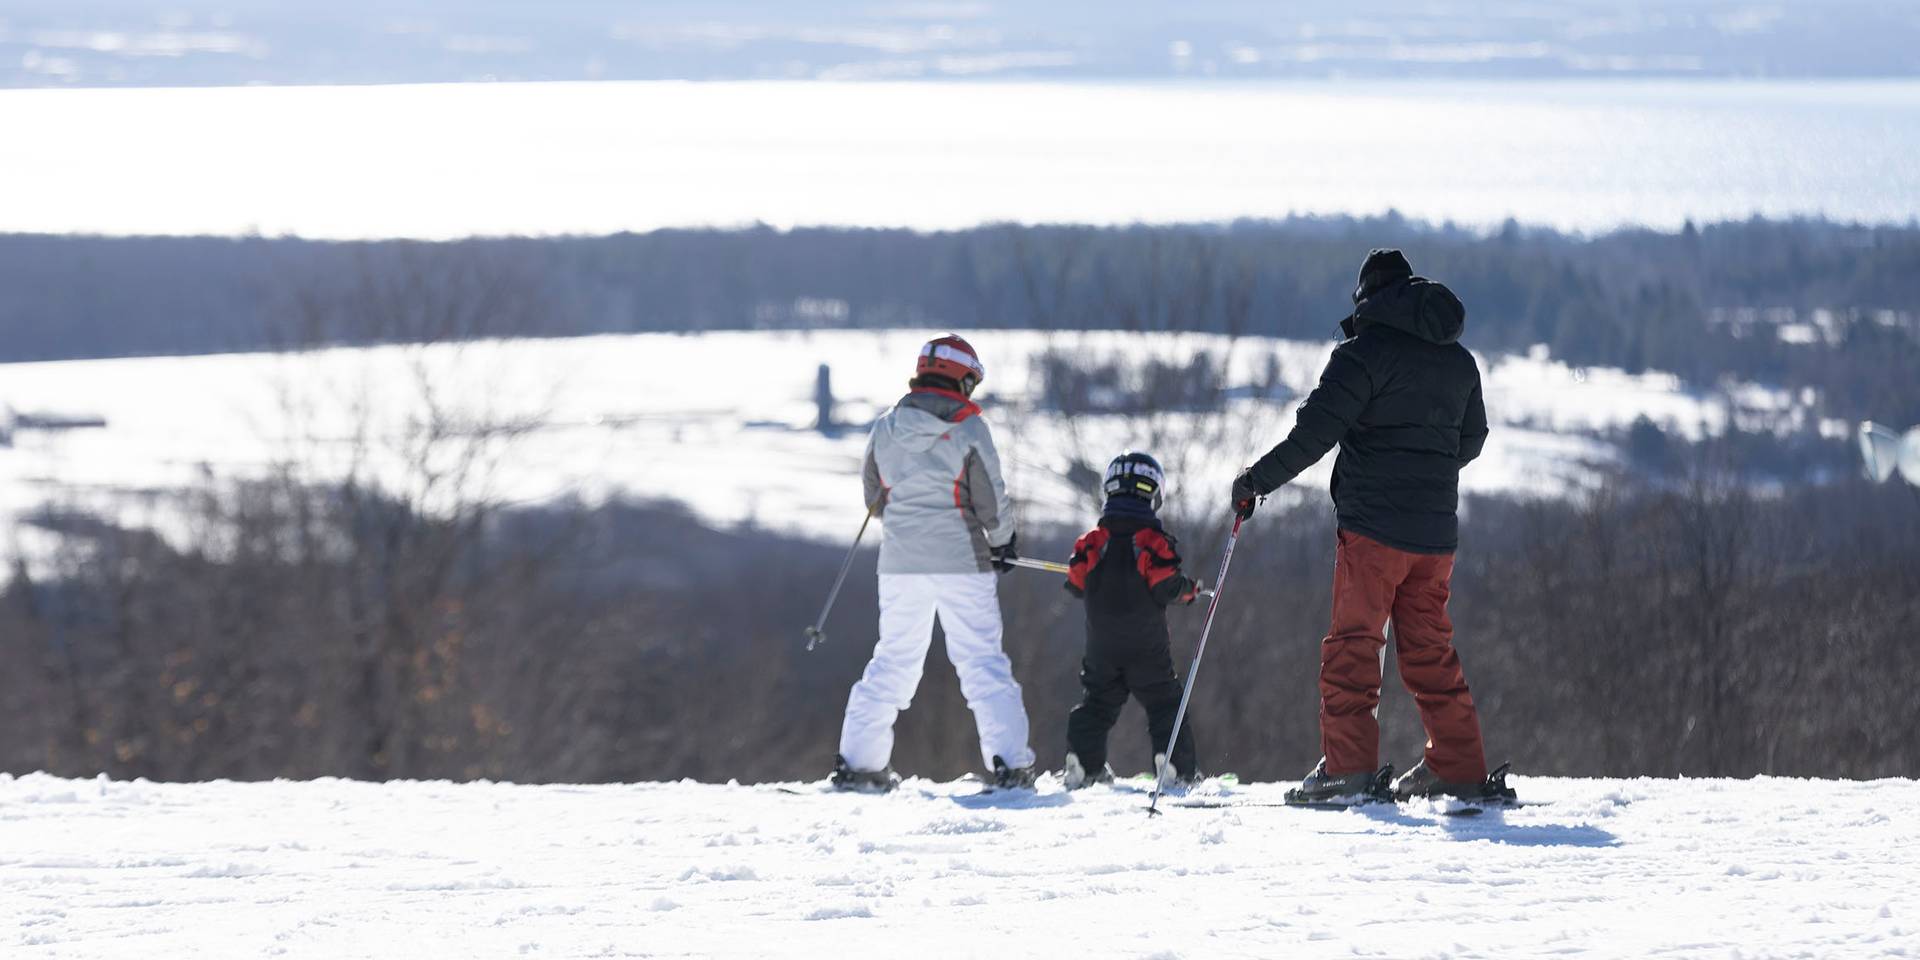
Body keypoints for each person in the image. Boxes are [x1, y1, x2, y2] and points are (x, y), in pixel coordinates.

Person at [1231, 249, 1513, 804]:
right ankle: (1457, 768)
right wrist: (1426, 472)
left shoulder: (1361, 356)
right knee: (1430, 649)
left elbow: (1313, 436)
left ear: (1367, 300)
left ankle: (1348, 771)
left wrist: (1254, 482)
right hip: (1435, 537)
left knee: (1355, 646)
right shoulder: (1458, 361)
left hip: (1373, 530)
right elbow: (1473, 439)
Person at [831, 334, 1037, 792]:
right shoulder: (969, 428)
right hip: (962, 559)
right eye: (972, 381)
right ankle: (1011, 764)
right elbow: (991, 497)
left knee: (894, 658)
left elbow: (873, 497)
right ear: (961, 377)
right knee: (982, 661)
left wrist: (907, 524)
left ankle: (859, 763)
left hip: (900, 563)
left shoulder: (885, 427)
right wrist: (1003, 542)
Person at [1061, 451, 1205, 790]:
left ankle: (1083, 763)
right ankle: (1174, 767)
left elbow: (1076, 583)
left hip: (1102, 648)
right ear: (1154, 494)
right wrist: (1189, 590)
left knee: (1097, 703)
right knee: (1165, 702)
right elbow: (1167, 585)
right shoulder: (1151, 542)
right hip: (1147, 648)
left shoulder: (1093, 542)